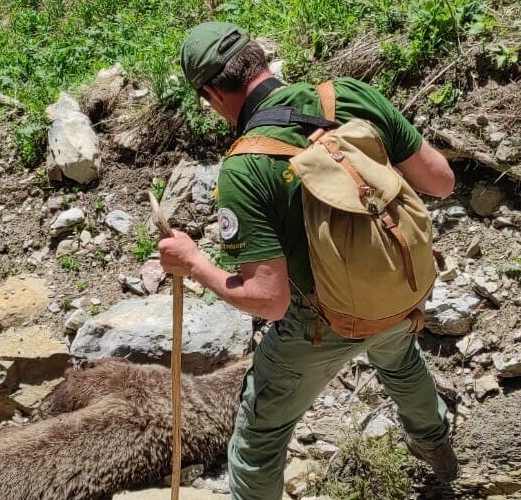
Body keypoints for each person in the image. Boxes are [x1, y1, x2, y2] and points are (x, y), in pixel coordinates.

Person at [159, 21, 459, 499]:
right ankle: (437, 450)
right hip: (401, 284)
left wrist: (194, 263)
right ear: (260, 58)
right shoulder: (349, 95)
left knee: (258, 436)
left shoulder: (245, 167)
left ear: (212, 94)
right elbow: (441, 181)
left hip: (323, 323)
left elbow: (270, 300)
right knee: (400, 358)